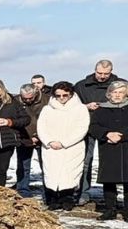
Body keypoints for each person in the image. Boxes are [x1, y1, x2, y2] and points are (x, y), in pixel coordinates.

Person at [37, 82, 89, 210]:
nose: (61, 98)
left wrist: (64, 143)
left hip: (71, 147)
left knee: (70, 173)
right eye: (58, 95)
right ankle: (53, 198)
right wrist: (49, 141)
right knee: (51, 172)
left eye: (65, 95)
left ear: (71, 94)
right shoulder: (47, 109)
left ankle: (67, 198)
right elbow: (41, 127)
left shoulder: (80, 108)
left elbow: (81, 128)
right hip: (51, 147)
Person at [75, 60, 117, 204]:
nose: (103, 76)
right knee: (86, 162)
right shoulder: (81, 85)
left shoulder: (121, 84)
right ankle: (83, 193)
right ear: (95, 70)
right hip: (88, 127)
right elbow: (72, 105)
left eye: (106, 73)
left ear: (111, 72)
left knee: (112, 163)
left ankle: (111, 198)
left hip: (112, 129)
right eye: (100, 73)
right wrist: (85, 106)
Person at [89, 80, 128, 220]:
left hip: (126, 147)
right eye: (115, 92)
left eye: (121, 92)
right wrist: (106, 134)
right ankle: (110, 209)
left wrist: (122, 136)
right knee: (109, 180)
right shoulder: (101, 109)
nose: (117, 95)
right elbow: (93, 127)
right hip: (108, 148)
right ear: (109, 94)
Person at [14, 83, 47, 197]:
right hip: (24, 137)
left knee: (46, 166)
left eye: (30, 98)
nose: (28, 100)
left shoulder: (46, 100)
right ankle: (23, 190)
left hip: (43, 136)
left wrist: (38, 136)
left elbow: (48, 120)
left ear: (36, 93)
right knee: (23, 165)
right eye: (25, 98)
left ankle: (48, 191)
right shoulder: (15, 101)